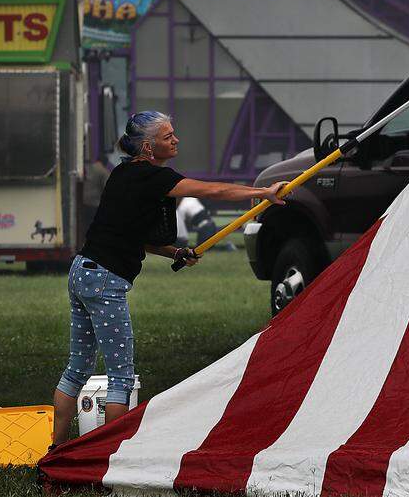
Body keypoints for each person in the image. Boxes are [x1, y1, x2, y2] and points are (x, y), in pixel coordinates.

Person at [51, 111, 287, 446]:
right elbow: (213, 190)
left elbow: (133, 236)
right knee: (120, 376)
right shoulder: (153, 178)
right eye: (168, 137)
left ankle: (56, 449)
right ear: (148, 147)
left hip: (82, 272)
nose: (175, 140)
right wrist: (263, 192)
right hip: (105, 281)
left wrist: (176, 253)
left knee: (77, 367)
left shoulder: (122, 174)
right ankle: (105, 459)